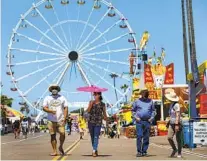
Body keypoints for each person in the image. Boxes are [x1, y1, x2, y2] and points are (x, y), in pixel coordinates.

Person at [43, 84, 68, 156]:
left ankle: (60, 146)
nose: (54, 89)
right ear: (51, 90)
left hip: (60, 119)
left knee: (63, 134)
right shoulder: (47, 98)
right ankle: (54, 151)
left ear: (58, 89)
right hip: (51, 120)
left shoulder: (62, 98)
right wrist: (50, 111)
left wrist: (65, 118)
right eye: (53, 88)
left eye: (55, 88)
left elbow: (66, 108)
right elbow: (44, 108)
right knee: (52, 136)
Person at [132, 88, 156, 157]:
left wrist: (151, 118)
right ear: (141, 95)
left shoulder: (151, 101)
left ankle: (144, 151)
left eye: (145, 95)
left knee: (146, 137)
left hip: (147, 121)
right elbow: (133, 111)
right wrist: (136, 117)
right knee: (139, 136)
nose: (144, 96)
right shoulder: (137, 101)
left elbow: (153, 111)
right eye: (143, 94)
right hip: (139, 121)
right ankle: (139, 151)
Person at [87, 92, 108, 157]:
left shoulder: (103, 104)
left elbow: (104, 114)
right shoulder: (91, 102)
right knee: (92, 137)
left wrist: (107, 119)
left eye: (96, 95)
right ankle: (95, 149)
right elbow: (88, 111)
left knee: (96, 136)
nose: (94, 96)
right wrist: (90, 105)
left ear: (99, 95)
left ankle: (94, 150)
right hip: (90, 122)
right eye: (94, 95)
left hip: (98, 122)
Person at [165, 91, 183, 158]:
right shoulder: (171, 104)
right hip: (171, 123)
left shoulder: (177, 105)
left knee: (178, 139)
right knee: (169, 137)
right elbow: (171, 115)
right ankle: (174, 149)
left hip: (177, 123)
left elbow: (177, 115)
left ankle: (179, 152)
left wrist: (176, 124)